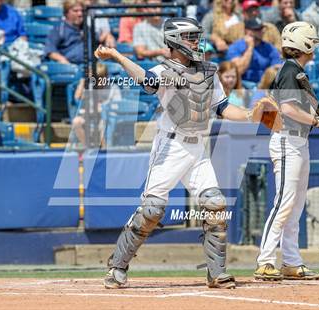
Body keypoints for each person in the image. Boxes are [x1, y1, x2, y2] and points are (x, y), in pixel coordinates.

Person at [94, 17, 271, 289]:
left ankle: (216, 272)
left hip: (198, 148)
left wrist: (250, 115)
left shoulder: (209, 71)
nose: (196, 42)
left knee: (215, 204)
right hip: (170, 146)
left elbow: (222, 108)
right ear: (175, 41)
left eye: (196, 36)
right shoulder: (163, 70)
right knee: (152, 210)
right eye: (190, 37)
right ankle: (117, 266)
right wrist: (118, 56)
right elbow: (146, 80)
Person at [254, 21, 319, 281]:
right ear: (303, 45)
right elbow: (286, 109)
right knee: (284, 202)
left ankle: (291, 262)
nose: (314, 48)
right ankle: (265, 261)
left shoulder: (296, 70)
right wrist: (316, 120)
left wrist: (317, 117)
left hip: (299, 142)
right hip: (286, 140)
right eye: (311, 43)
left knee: (295, 206)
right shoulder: (288, 69)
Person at [71, 62, 122, 147]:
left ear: (106, 77)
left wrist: (102, 108)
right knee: (76, 122)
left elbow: (116, 107)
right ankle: (87, 147)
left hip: (106, 118)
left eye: (101, 78)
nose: (99, 82)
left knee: (104, 124)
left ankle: (105, 150)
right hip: (90, 116)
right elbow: (77, 96)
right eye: (96, 79)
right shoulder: (90, 86)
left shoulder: (114, 88)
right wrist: (84, 80)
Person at [226, 17, 281, 83]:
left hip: (264, 85)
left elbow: (277, 69)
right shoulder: (235, 47)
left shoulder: (270, 48)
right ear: (247, 31)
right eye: (258, 29)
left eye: (262, 28)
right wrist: (250, 47)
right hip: (243, 85)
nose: (262, 31)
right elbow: (239, 71)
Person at [44, 0, 86, 64]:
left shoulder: (87, 27)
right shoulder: (59, 29)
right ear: (66, 13)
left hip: (89, 64)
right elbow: (50, 51)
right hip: (70, 66)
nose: (80, 14)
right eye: (75, 11)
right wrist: (63, 60)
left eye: (82, 11)